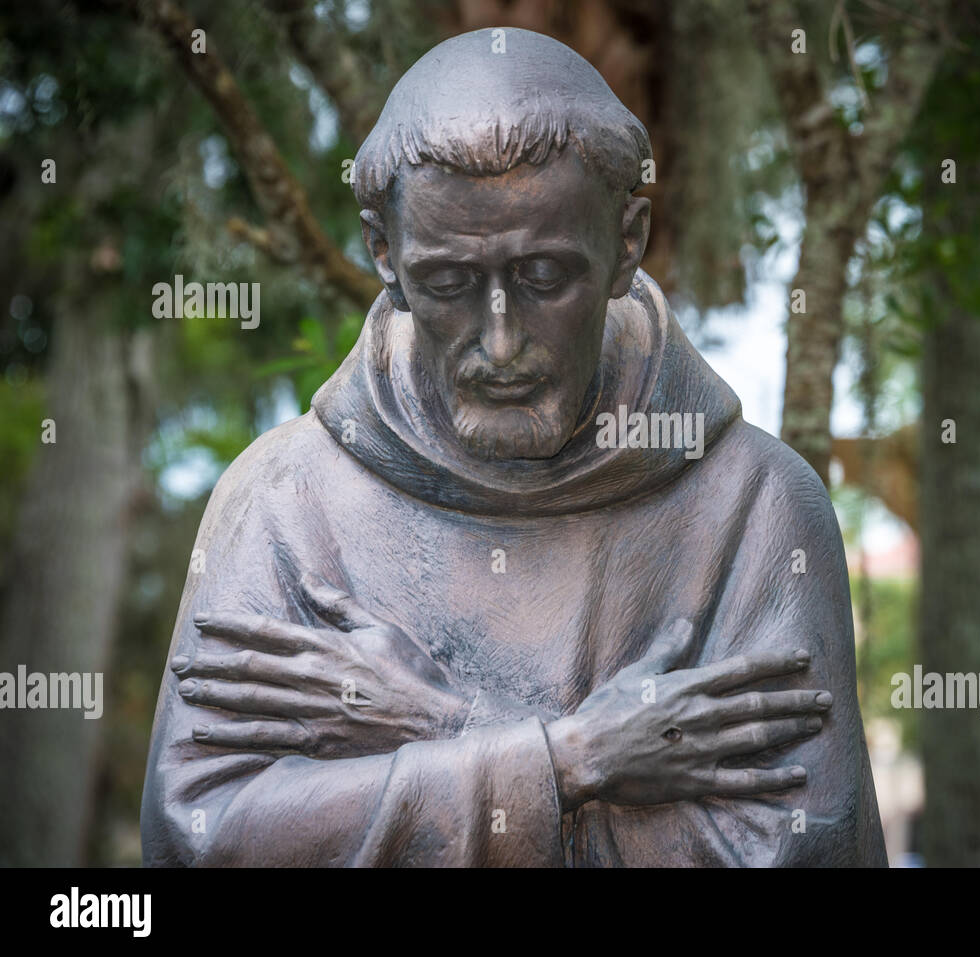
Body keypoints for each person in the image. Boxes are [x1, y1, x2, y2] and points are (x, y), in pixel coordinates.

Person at [141, 26, 886, 867]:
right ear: (383, 254)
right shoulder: (280, 499)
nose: (500, 345)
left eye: (544, 278)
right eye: (448, 283)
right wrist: (571, 758)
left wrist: (438, 732)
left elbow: (794, 851)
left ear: (627, 242)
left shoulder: (756, 503)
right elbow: (201, 837)